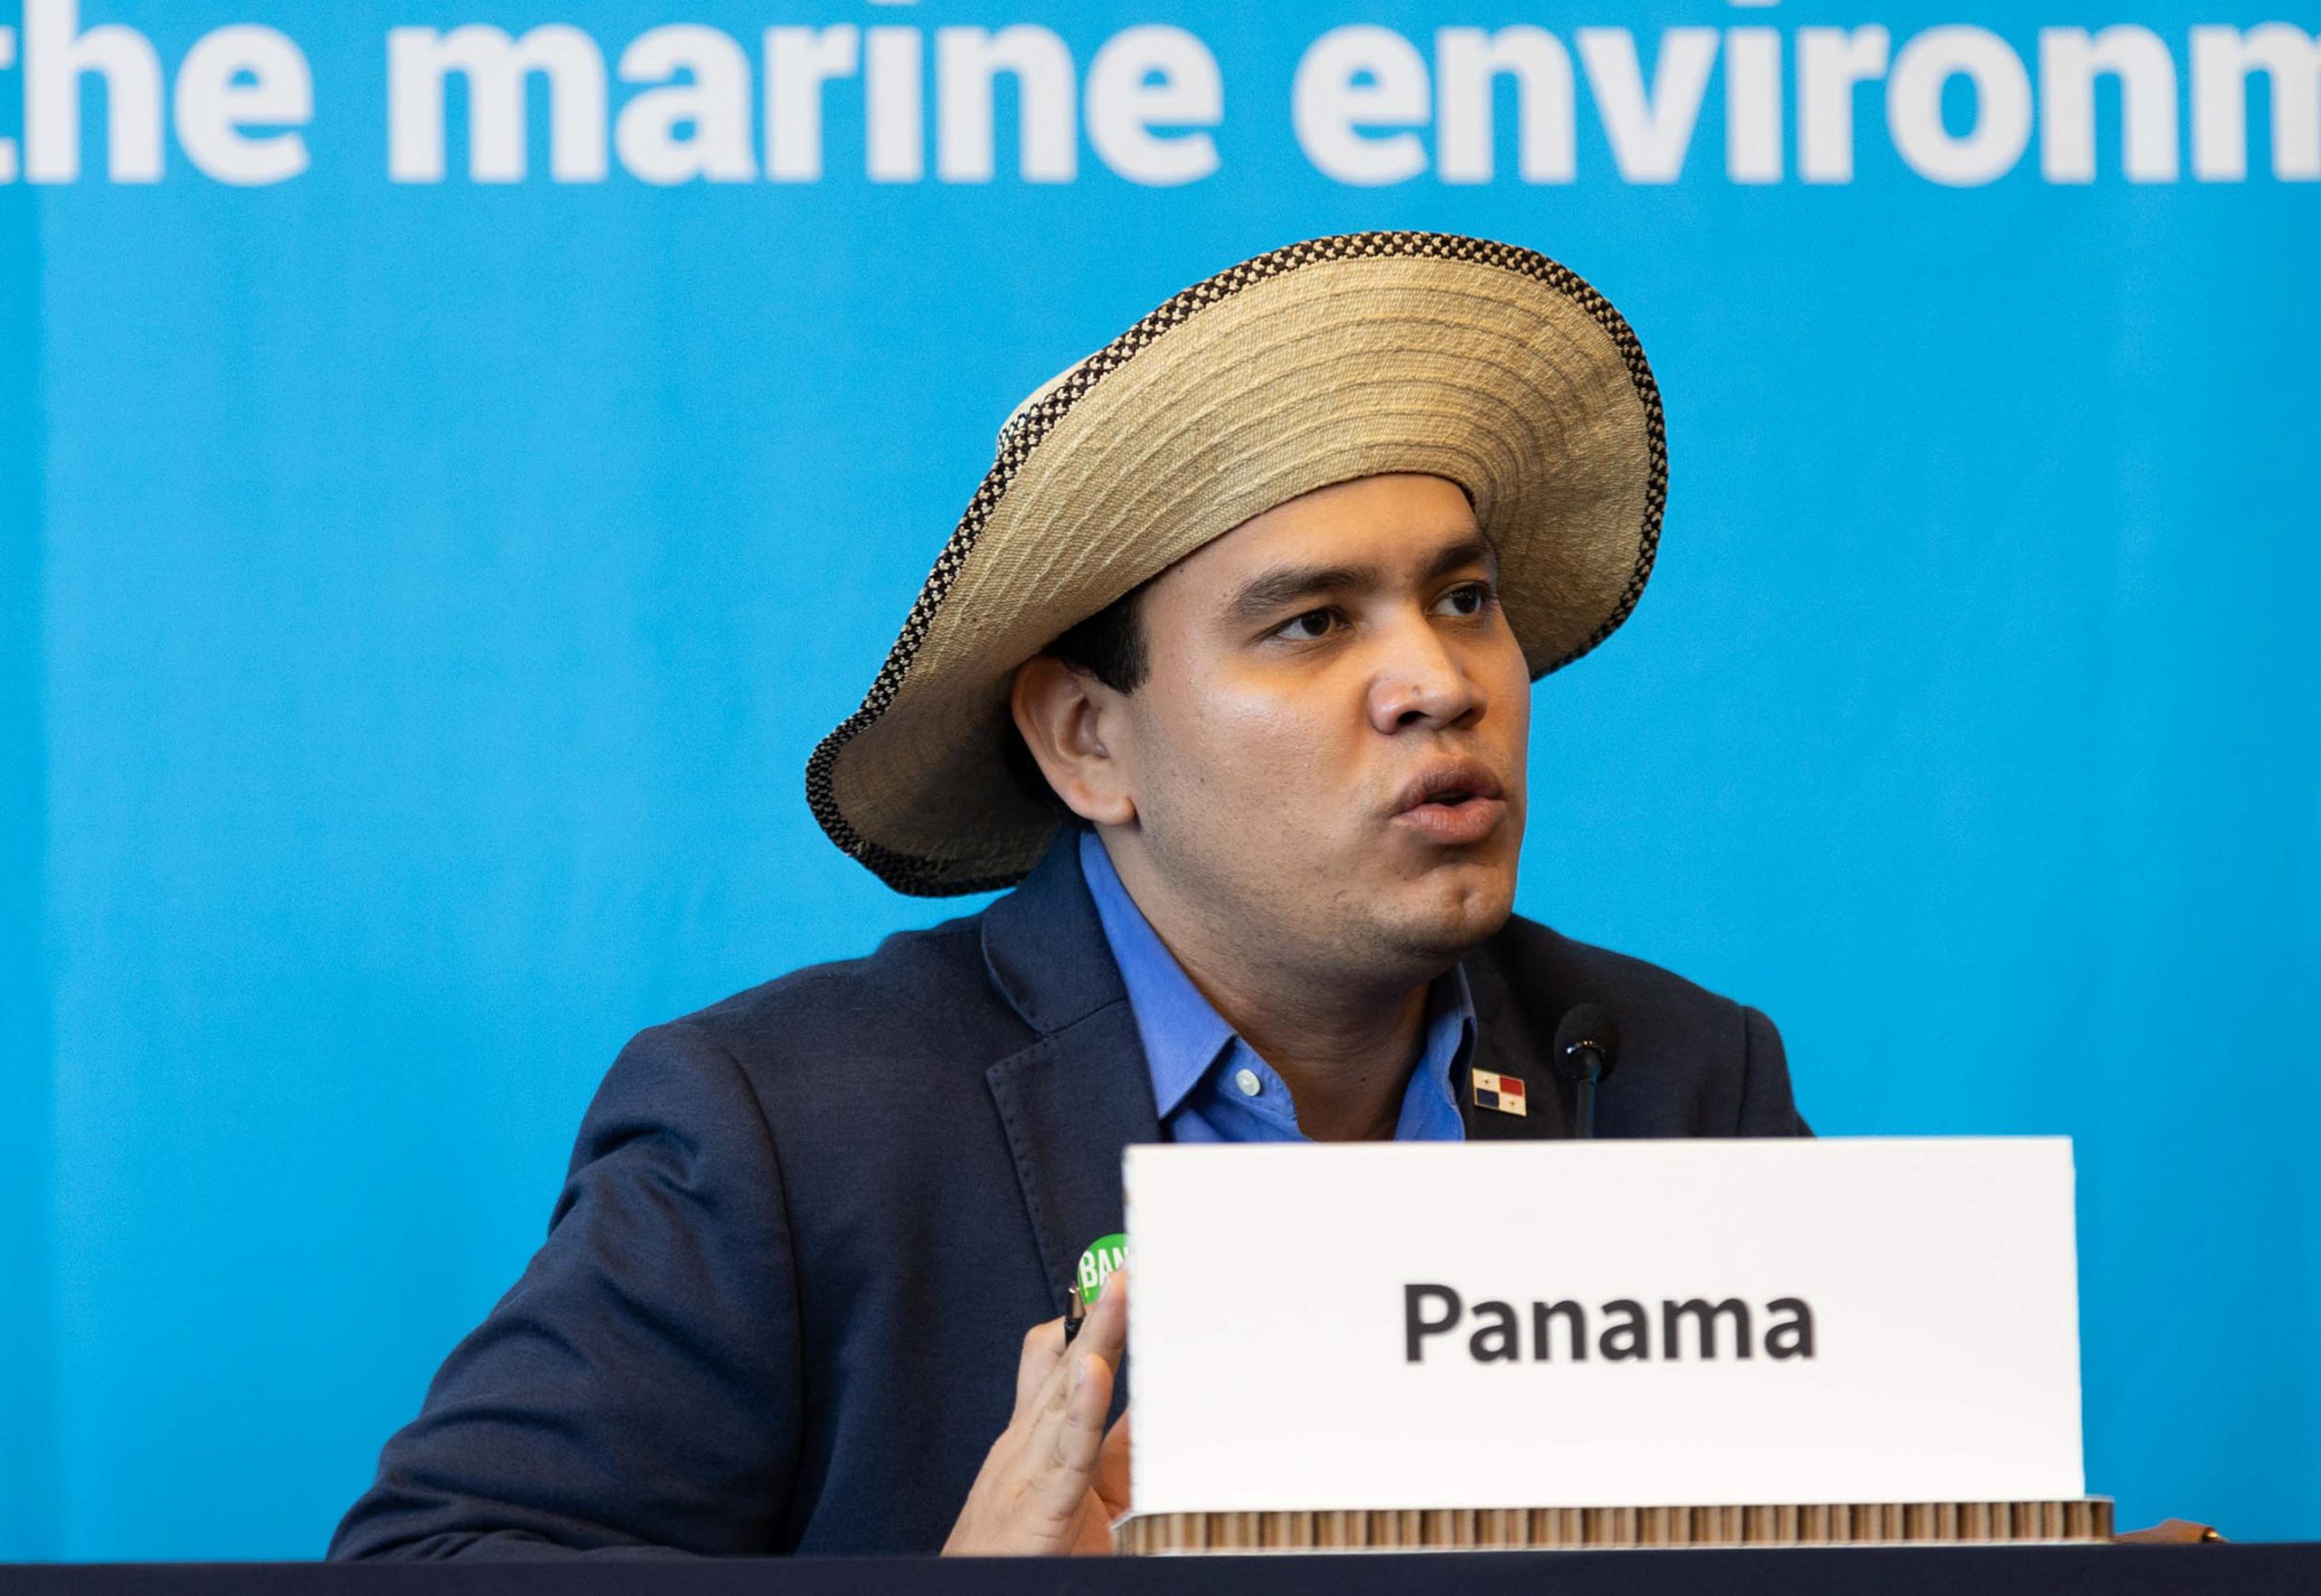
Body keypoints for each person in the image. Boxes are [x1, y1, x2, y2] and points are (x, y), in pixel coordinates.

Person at [329, 230, 1809, 1562]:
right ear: (1089, 741)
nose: (1441, 684)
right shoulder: (785, 1129)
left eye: (1465, 600)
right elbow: (426, 1568)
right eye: (1312, 624)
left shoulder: (1678, 1080)